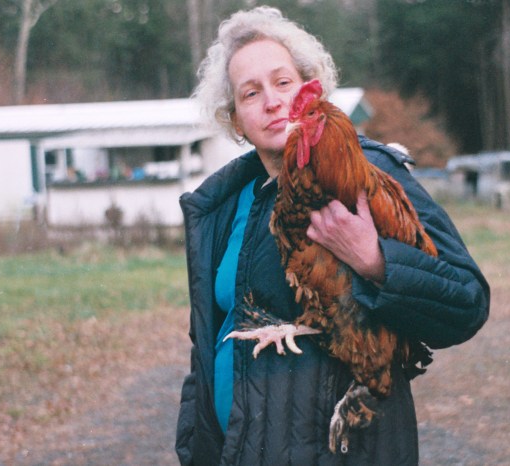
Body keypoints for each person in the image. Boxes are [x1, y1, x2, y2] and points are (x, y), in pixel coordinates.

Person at [176, 6, 489, 465]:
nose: (271, 102)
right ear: (236, 120)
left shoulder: (368, 173)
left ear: (310, 89)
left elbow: (467, 302)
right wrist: (195, 445)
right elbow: (206, 346)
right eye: (250, 93)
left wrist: (374, 261)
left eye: (283, 82)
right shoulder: (220, 207)